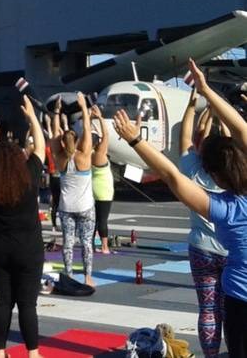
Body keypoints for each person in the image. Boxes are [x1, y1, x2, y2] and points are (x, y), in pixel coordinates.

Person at [114, 59, 247, 357]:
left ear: (213, 174)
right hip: (233, 285)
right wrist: (207, 90)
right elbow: (241, 129)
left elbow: (172, 176)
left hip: (237, 294)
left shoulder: (224, 208)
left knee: (210, 313)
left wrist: (135, 139)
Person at [0, 96, 45, 358]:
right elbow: (39, 146)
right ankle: (33, 353)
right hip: (29, 248)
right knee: (28, 304)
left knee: (2, 301)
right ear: (19, 158)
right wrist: (32, 118)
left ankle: (1, 352)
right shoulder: (29, 173)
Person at [179, 87, 228, 357]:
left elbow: (185, 137)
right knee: (232, 308)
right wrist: (219, 109)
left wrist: (191, 105)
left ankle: (210, 354)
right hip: (232, 250)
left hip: (201, 249)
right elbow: (236, 139)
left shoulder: (191, 171)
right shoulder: (234, 173)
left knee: (207, 310)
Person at [52, 93, 95, 286]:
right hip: (85, 207)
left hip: (66, 207)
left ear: (63, 142)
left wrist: (56, 111)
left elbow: (54, 134)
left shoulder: (59, 158)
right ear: (76, 141)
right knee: (86, 243)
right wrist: (84, 107)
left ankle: (68, 275)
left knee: (68, 244)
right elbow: (87, 128)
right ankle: (87, 276)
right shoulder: (84, 155)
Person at [90, 106, 113, 254]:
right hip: (104, 191)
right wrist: (100, 118)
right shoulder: (100, 154)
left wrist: (90, 121)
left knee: (94, 220)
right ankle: (105, 247)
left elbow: (97, 136)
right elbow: (106, 135)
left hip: (93, 190)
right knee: (103, 220)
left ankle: (91, 245)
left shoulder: (89, 153)